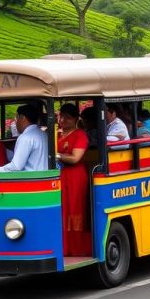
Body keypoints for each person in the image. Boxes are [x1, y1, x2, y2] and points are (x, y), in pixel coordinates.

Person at [56, 103, 91, 256]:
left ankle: (77, 248)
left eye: (67, 118)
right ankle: (63, 247)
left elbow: (75, 158)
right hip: (59, 177)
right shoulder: (56, 134)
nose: (63, 120)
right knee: (62, 210)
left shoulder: (80, 135)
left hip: (75, 176)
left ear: (76, 119)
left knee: (75, 211)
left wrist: (57, 156)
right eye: (61, 116)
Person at [0, 104, 48, 172]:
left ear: (23, 118)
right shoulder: (43, 134)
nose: (15, 122)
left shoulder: (25, 137)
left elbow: (16, 166)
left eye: (16, 118)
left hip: (31, 180)